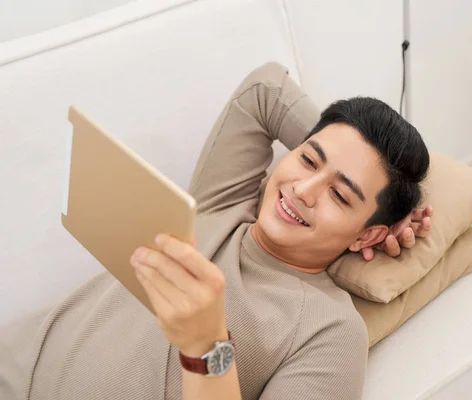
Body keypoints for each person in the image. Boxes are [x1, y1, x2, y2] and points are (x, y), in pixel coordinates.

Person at [0, 62, 431, 400]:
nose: (303, 190)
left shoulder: (330, 330)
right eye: (307, 160)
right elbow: (265, 89)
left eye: (340, 196)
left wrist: (207, 347)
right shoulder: (221, 202)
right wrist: (355, 161)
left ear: (367, 236)